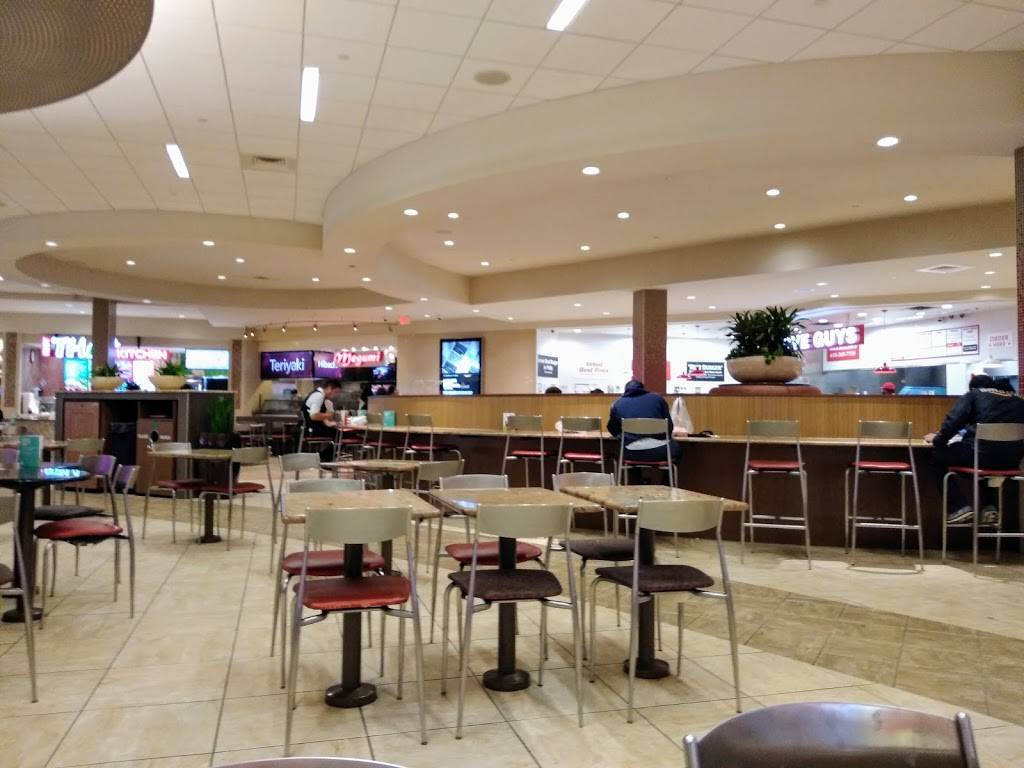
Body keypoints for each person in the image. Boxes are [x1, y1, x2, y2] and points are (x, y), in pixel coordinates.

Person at [926, 374, 1024, 525]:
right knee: (986, 461)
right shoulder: (1018, 400)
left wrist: (938, 440)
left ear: (973, 387)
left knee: (936, 456)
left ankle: (959, 507)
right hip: (1012, 462)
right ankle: (989, 507)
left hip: (979, 456)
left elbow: (953, 421)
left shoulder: (973, 395)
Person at [607, 379, 681, 473]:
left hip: (631, 453)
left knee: (623, 448)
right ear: (643, 389)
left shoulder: (618, 404)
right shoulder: (658, 399)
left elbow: (612, 429)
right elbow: (669, 427)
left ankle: (637, 479)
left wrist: (624, 436)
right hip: (662, 451)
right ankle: (666, 480)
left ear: (625, 391)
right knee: (677, 449)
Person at [301, 379, 341, 458]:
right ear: (329, 388)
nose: (335, 395)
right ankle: (323, 457)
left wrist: (329, 420)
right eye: (335, 392)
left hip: (312, 428)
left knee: (339, 433)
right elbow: (314, 416)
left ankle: (323, 457)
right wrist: (329, 416)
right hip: (312, 430)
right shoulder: (318, 396)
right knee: (341, 435)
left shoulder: (320, 396)